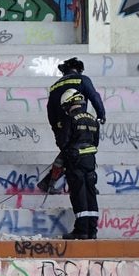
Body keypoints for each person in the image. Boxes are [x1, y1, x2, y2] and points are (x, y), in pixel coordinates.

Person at [55, 89, 101, 240]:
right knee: (90, 194)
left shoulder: (70, 119)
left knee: (79, 195)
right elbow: (95, 142)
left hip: (75, 163)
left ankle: (81, 230)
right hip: (90, 162)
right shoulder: (93, 119)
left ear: (69, 103)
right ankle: (92, 230)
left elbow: (64, 142)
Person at [46, 57, 105, 136]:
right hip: (80, 124)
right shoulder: (82, 79)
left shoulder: (54, 86)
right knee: (85, 146)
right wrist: (101, 115)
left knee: (68, 148)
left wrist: (55, 127)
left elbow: (50, 109)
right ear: (79, 70)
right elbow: (94, 97)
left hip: (63, 127)